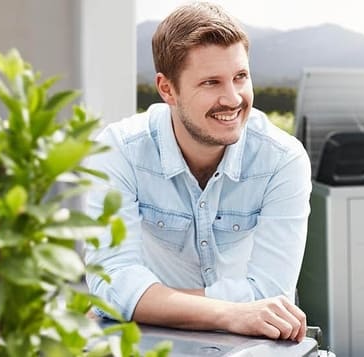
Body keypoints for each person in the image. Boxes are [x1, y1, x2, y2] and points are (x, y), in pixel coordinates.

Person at [83, 2, 311, 342]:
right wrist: (234, 312)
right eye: (211, 83)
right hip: (148, 340)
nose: (232, 99)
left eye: (240, 77)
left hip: (252, 343)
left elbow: (270, 292)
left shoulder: (282, 159)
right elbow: (113, 281)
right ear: (167, 89)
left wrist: (140, 300)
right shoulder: (119, 151)